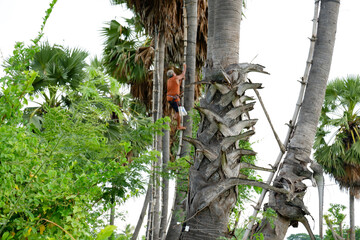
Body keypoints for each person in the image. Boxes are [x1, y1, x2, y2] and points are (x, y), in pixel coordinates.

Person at [166, 63, 186, 130]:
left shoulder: (169, 80)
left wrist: (180, 81)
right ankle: (179, 126)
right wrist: (184, 67)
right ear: (173, 74)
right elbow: (183, 75)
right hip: (174, 99)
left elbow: (176, 85)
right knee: (179, 112)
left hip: (169, 98)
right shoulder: (175, 78)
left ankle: (175, 116)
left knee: (177, 110)